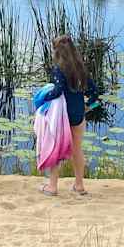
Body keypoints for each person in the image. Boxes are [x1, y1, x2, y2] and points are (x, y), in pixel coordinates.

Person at [39, 34, 98, 197]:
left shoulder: (59, 69)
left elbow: (57, 91)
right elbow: (95, 92)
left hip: (62, 114)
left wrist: (44, 98)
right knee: (77, 149)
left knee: (55, 148)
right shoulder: (81, 68)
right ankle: (79, 185)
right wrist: (89, 105)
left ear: (57, 52)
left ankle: (52, 186)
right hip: (78, 113)